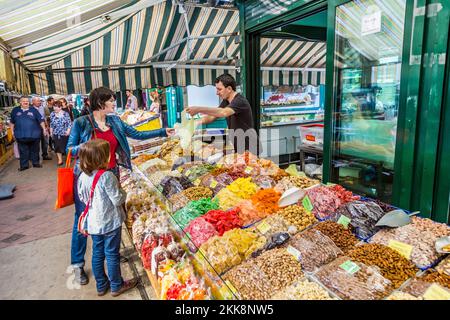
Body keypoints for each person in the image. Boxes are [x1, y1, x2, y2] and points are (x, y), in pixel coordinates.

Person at [67, 86, 175, 285]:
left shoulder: (114, 121)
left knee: (111, 219)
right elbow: (70, 150)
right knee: (83, 220)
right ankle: (77, 265)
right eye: (111, 101)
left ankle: (111, 255)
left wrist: (163, 131)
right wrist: (88, 149)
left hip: (111, 174)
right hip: (89, 178)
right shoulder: (81, 123)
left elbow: (136, 134)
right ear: (100, 103)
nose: (114, 104)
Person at [77, 139, 137, 297]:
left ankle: (101, 285)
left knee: (97, 253)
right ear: (101, 158)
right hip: (110, 222)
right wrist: (124, 192)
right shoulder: (107, 176)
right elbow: (117, 199)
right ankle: (117, 285)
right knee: (112, 254)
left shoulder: (82, 177)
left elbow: (82, 198)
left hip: (94, 223)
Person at [185, 74, 258, 154]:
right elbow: (211, 117)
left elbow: (223, 112)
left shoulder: (239, 101)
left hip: (249, 147)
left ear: (229, 89)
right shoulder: (226, 101)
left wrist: (198, 109)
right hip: (238, 145)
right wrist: (191, 124)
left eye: (219, 89)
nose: (217, 93)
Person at [10, 96, 48, 171]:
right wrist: (12, 131)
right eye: (23, 101)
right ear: (20, 102)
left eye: (27, 101)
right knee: (23, 151)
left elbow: (41, 120)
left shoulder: (33, 110)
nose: (25, 102)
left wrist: (44, 129)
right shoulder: (15, 110)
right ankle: (24, 165)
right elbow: (12, 122)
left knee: (35, 150)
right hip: (20, 135)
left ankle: (36, 163)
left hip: (34, 134)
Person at [50, 100, 72, 166]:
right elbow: (51, 124)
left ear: (61, 107)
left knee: (66, 147)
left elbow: (69, 123)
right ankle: (60, 160)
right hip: (56, 133)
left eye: (57, 107)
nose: (55, 108)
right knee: (57, 147)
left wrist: (68, 131)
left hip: (65, 133)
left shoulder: (66, 114)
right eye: (54, 106)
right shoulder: (52, 114)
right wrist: (51, 132)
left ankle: (68, 158)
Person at [31, 96, 52, 160]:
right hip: (35, 129)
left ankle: (45, 155)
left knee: (45, 142)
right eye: (37, 101)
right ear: (33, 102)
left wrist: (47, 126)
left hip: (43, 128)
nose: (39, 102)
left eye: (39, 101)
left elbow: (44, 117)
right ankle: (35, 157)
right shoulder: (30, 109)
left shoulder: (42, 108)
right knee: (35, 143)